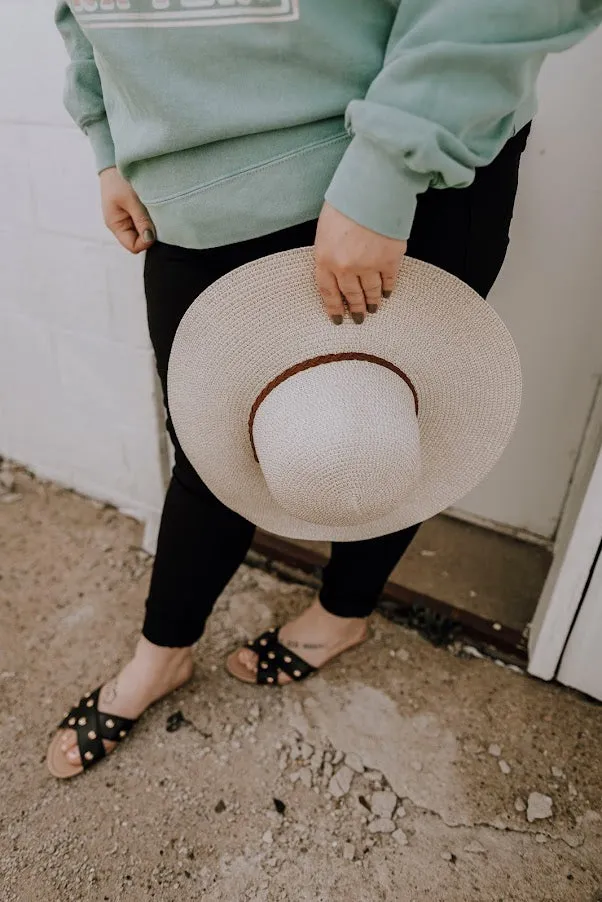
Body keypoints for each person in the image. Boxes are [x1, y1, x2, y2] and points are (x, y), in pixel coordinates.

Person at [48, 0, 601, 777]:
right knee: (212, 452)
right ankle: (162, 651)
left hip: (403, 166)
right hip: (191, 192)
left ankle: (344, 614)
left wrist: (389, 166)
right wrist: (110, 144)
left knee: (388, 427)